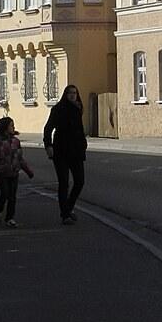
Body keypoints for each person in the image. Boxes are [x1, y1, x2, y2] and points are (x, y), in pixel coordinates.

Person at [43, 84, 88, 224]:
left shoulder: (78, 108)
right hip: (61, 150)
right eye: (69, 93)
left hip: (76, 150)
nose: (72, 95)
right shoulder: (58, 109)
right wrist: (48, 145)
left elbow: (79, 129)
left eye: (75, 93)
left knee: (80, 181)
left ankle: (68, 207)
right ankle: (65, 214)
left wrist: (83, 144)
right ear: (65, 94)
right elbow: (48, 128)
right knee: (64, 183)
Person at [0, 116, 34, 228]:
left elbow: (20, 158)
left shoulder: (15, 141)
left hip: (14, 171)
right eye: (11, 125)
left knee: (12, 196)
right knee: (4, 194)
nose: (13, 127)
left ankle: (10, 218)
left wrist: (28, 170)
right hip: (2, 172)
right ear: (5, 127)